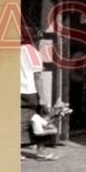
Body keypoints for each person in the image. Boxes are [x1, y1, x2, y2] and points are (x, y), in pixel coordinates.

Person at [20, 26, 58, 161]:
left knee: (21, 121)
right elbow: (37, 77)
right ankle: (41, 152)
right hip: (31, 92)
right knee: (42, 119)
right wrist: (43, 98)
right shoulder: (33, 53)